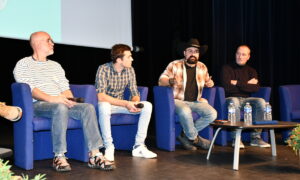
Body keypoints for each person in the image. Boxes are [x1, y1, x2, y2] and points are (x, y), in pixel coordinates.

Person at [13, 31, 114, 172]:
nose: (52, 43)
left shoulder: (55, 65)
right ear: (37, 43)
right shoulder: (23, 64)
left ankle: (95, 154)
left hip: (59, 102)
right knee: (59, 107)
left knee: (88, 107)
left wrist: (70, 100)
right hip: (37, 105)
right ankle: (59, 156)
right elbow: (30, 90)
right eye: (49, 40)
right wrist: (54, 99)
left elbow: (65, 88)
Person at [95, 44, 157, 163]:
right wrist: (126, 103)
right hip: (107, 105)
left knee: (147, 105)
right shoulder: (103, 69)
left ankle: (139, 146)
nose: (132, 59)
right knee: (104, 106)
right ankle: (108, 146)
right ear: (119, 59)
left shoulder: (130, 70)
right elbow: (101, 96)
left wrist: (134, 103)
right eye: (129, 57)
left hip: (122, 105)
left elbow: (134, 92)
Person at [158, 38, 217, 151]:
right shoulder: (174, 65)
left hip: (196, 101)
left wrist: (210, 83)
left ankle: (185, 136)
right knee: (185, 111)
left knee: (212, 113)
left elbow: (208, 81)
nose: (193, 54)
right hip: (177, 100)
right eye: (190, 51)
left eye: (196, 51)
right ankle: (195, 139)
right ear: (184, 53)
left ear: (198, 54)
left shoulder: (202, 67)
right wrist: (170, 81)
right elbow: (161, 81)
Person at [221, 45, 270, 148]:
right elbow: (227, 88)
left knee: (261, 101)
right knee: (235, 101)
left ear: (248, 57)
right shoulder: (226, 68)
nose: (240, 56)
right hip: (231, 98)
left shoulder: (251, 71)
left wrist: (236, 83)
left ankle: (255, 138)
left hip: (247, 100)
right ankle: (236, 138)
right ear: (235, 54)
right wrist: (247, 83)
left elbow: (255, 88)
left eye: (243, 54)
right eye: (238, 53)